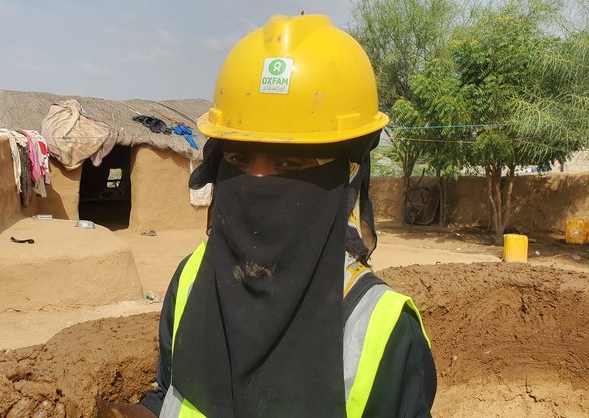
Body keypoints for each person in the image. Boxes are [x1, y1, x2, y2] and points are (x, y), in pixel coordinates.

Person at [96, 14, 436, 418]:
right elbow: (171, 392)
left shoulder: (382, 331)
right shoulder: (191, 279)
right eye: (238, 159)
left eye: (290, 163)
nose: (256, 183)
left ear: (345, 175)